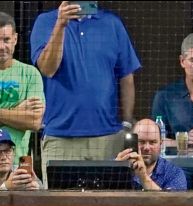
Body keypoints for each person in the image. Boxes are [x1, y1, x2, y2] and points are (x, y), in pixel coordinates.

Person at [31, 1, 141, 188]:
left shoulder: (112, 24)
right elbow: (48, 69)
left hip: (108, 138)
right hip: (60, 138)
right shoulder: (45, 22)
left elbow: (126, 77)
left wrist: (127, 122)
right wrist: (61, 24)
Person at [0, 12, 45, 166]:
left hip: (16, 165)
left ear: (15, 39)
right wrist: (18, 110)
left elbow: (34, 121)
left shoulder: (30, 74)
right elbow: (26, 118)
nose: (1, 46)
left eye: (6, 40)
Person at [115, 119, 187, 191]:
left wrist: (143, 177)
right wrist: (115, 171)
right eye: (141, 142)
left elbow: (171, 201)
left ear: (160, 144)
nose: (146, 148)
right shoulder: (119, 166)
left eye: (152, 142)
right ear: (133, 142)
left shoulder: (174, 173)